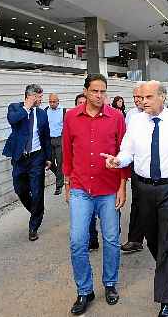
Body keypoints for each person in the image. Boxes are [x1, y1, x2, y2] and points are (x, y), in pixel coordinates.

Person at [101, 80, 168, 317]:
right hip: (144, 188)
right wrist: (118, 161)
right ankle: (166, 266)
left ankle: (165, 300)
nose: (143, 102)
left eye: (148, 97)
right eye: (141, 98)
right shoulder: (136, 121)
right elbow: (127, 150)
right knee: (152, 238)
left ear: (162, 97)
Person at [63, 74, 128, 315]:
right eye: (94, 91)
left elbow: (124, 153)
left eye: (103, 92)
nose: (99, 96)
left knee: (111, 239)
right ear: (86, 91)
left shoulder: (116, 117)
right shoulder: (71, 117)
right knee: (77, 241)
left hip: (109, 189)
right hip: (81, 188)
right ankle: (84, 290)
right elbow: (68, 151)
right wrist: (68, 183)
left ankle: (110, 283)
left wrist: (123, 185)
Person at [2, 84, 52, 241]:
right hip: (20, 158)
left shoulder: (42, 114)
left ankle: (33, 226)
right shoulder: (15, 108)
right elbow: (12, 120)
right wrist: (27, 108)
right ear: (30, 96)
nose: (40, 99)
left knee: (37, 191)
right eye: (38, 97)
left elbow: (46, 136)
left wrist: (49, 157)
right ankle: (37, 211)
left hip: (37, 157)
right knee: (20, 189)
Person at [121, 84, 146, 253]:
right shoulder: (130, 114)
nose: (137, 100)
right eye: (135, 97)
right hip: (136, 165)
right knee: (137, 202)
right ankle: (135, 239)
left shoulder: (161, 114)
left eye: (140, 96)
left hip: (157, 171)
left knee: (153, 206)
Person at [73, 93, 99, 251]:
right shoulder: (71, 121)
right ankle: (91, 239)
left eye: (84, 102)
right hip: (81, 181)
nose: (82, 105)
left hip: (101, 178)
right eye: (79, 103)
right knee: (86, 214)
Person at [45, 93, 66, 195]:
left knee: (60, 162)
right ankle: (60, 177)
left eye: (54, 101)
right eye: (50, 101)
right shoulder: (46, 111)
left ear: (58, 101)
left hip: (59, 139)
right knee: (50, 162)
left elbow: (67, 126)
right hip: (49, 140)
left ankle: (59, 186)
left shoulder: (63, 111)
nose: (52, 103)